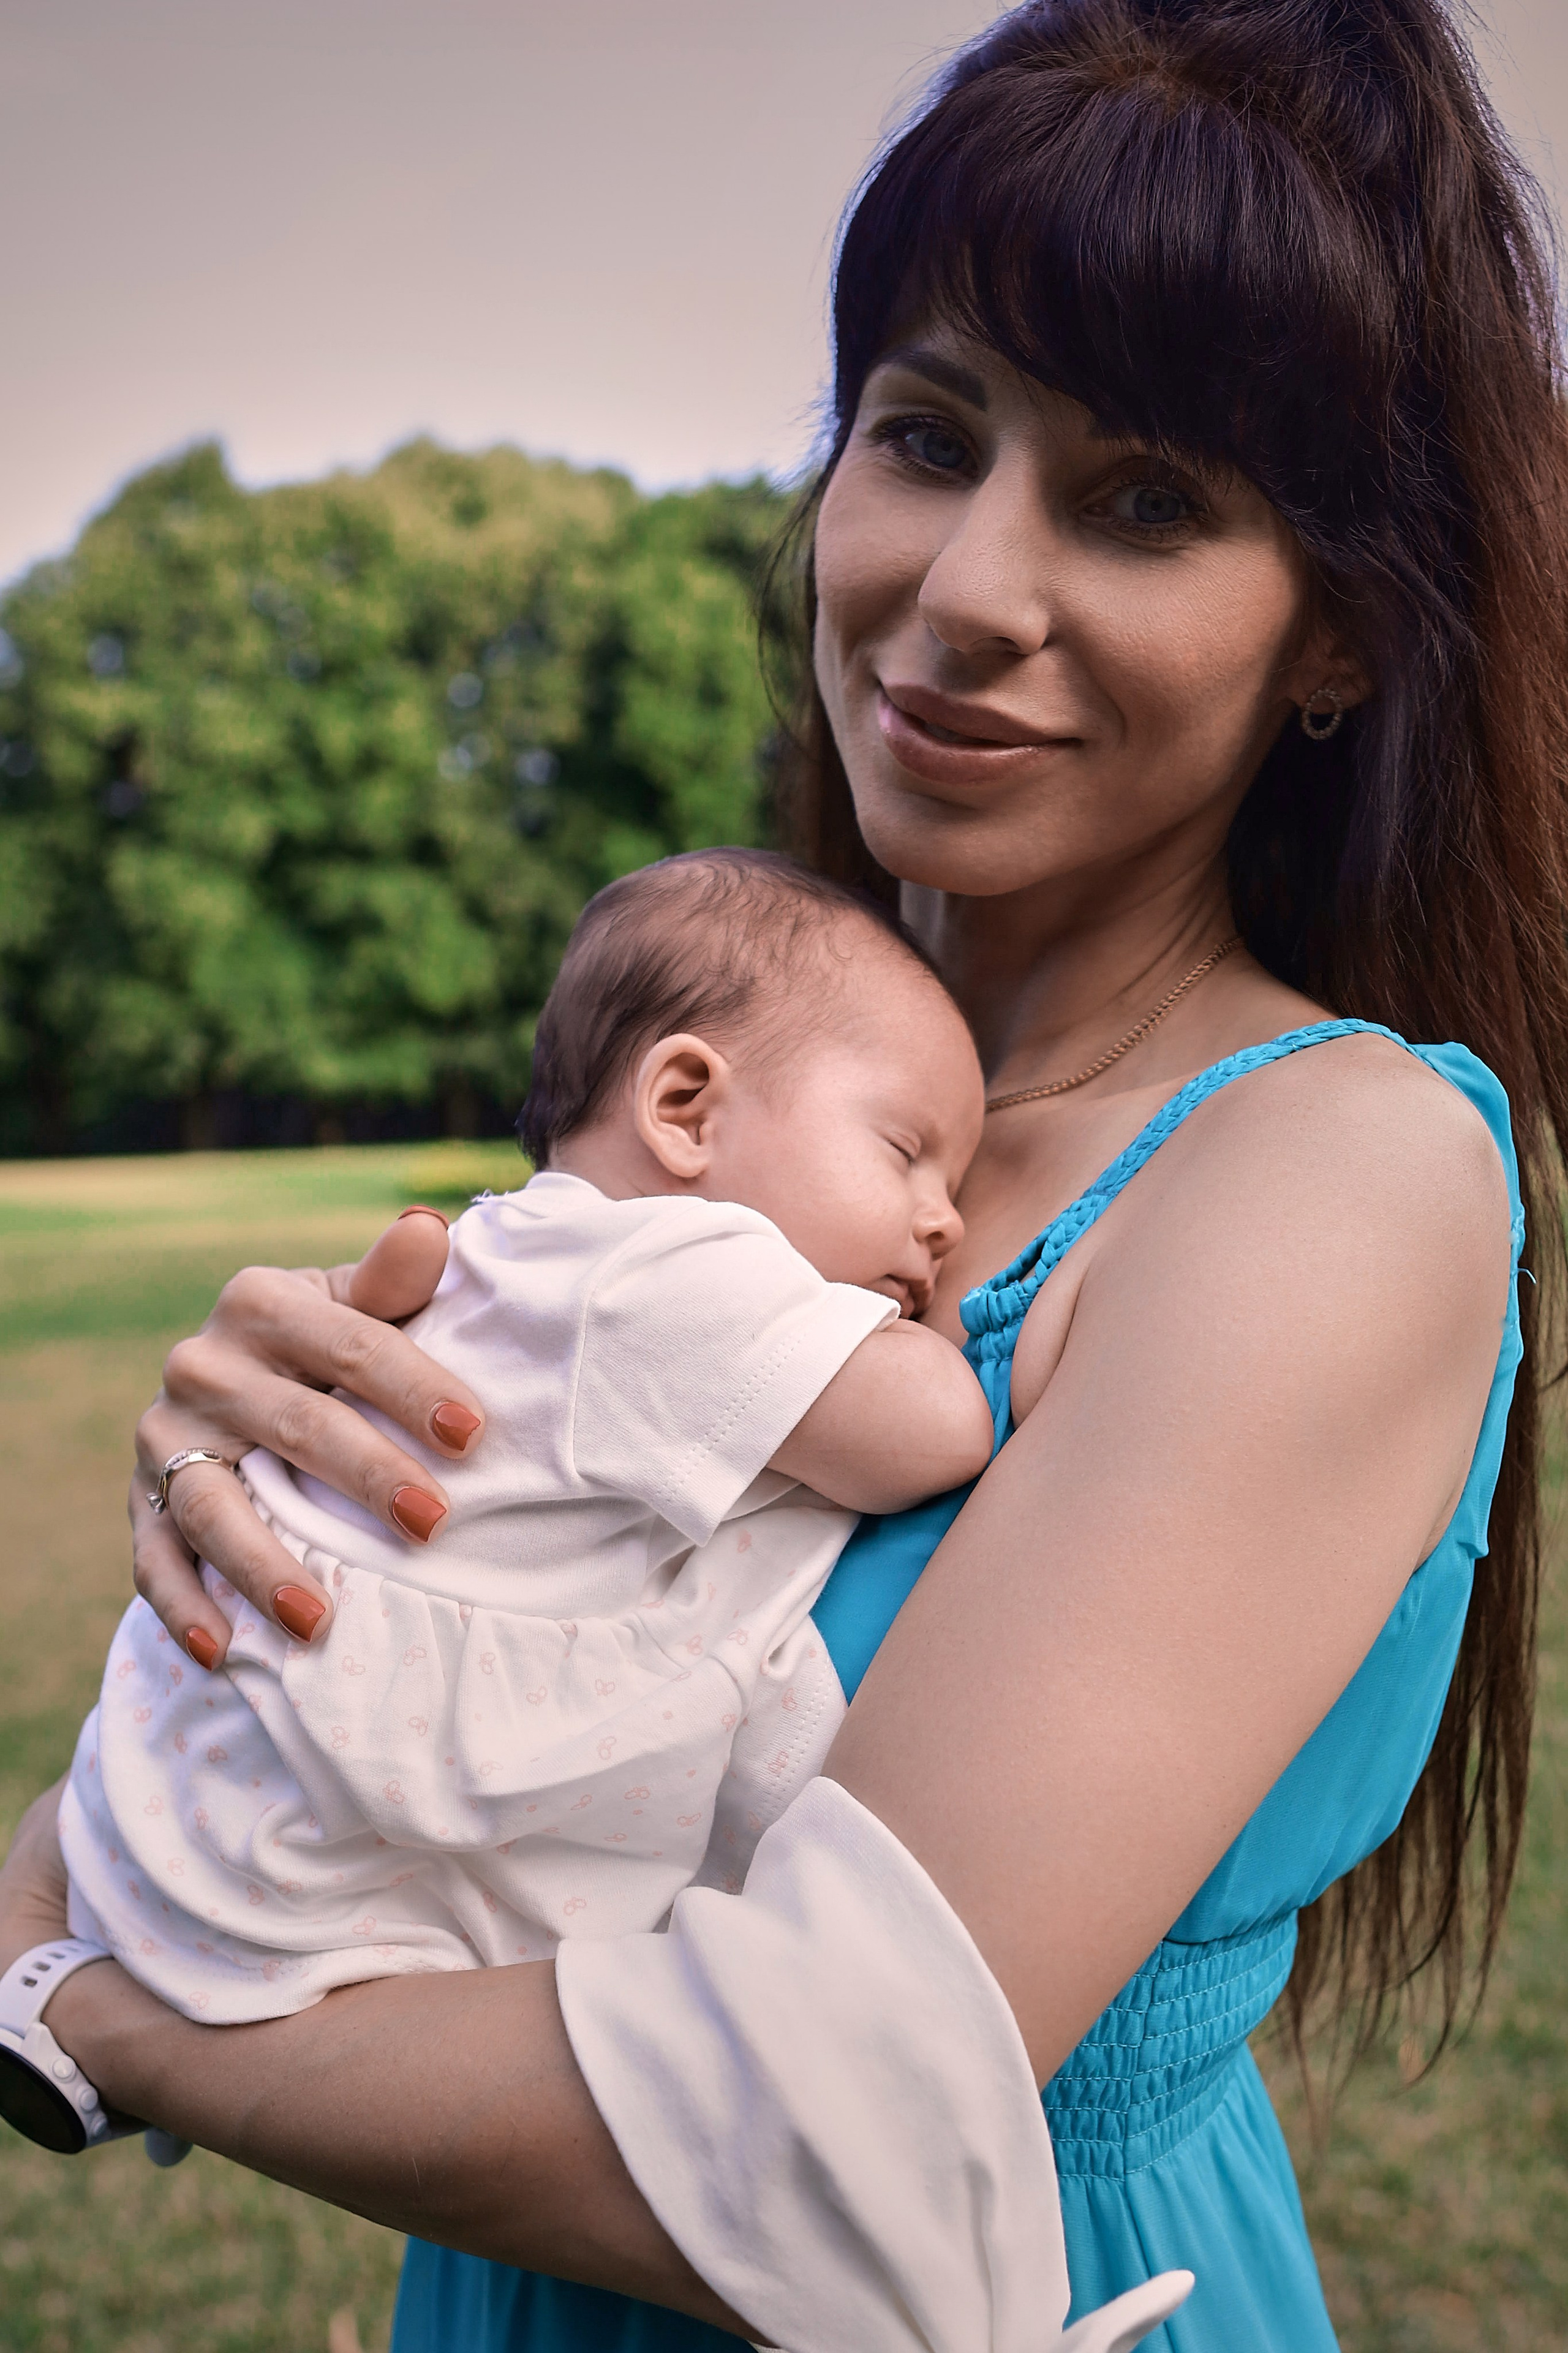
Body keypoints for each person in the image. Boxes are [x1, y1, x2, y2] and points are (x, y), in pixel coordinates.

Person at [3, 0, 1566, 2344]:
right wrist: (268, 1552)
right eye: (926, 435)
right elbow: (323, 1786)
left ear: (1336, 625)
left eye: (1145, 500)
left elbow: (816, 2104)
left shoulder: (1330, 1174)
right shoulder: (732, 1170)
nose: (965, 590)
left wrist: (99, 2002)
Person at [61, 852, 997, 2018]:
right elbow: (939, 1426)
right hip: (323, 1830)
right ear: (684, 1108)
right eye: (907, 1152)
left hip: (197, 1785)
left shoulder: (534, 1251)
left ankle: (108, 1957)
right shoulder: (665, 1273)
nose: (947, 1220)